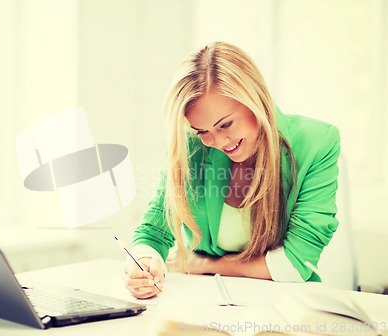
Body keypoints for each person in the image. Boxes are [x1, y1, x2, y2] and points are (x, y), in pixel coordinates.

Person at [123, 41, 341, 299]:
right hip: (206, 302)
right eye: (202, 131)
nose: (218, 141)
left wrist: (204, 265)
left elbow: (296, 264)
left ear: (254, 99)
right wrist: (144, 263)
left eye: (225, 124)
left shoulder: (318, 143)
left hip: (284, 306)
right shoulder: (192, 146)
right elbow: (153, 232)